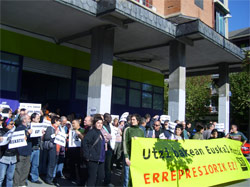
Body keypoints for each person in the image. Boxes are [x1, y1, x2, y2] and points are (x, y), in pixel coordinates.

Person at [82, 115, 105, 186]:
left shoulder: (100, 132)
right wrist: (87, 155)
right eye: (98, 123)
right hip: (92, 158)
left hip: (101, 159)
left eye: (101, 123)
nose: (100, 125)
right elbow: (84, 142)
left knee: (101, 176)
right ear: (94, 123)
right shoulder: (92, 132)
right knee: (92, 178)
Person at [123, 114, 144, 187]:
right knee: (127, 177)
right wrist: (126, 157)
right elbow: (124, 143)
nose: (132, 121)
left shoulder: (141, 131)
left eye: (134, 119)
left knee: (135, 176)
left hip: (137, 156)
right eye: (131, 119)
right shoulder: (127, 129)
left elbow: (143, 144)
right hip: (129, 155)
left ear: (138, 121)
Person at [13, 114, 33, 187]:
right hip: (21, 152)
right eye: (29, 119)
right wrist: (27, 133)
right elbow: (19, 137)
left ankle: (22, 183)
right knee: (18, 169)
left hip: (27, 152)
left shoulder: (28, 128)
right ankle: (16, 184)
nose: (30, 120)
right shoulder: (20, 128)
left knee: (26, 169)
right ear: (24, 120)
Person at [43, 116, 61, 185]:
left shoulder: (58, 128)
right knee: (51, 163)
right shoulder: (50, 128)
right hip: (52, 148)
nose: (60, 122)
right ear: (55, 121)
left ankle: (52, 177)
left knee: (54, 164)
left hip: (57, 148)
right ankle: (48, 178)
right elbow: (47, 137)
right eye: (59, 121)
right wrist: (54, 134)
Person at [0, 119, 17, 187]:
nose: (13, 125)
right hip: (4, 157)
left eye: (13, 124)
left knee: (10, 178)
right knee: (1, 178)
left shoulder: (15, 132)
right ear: (5, 125)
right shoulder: (1, 132)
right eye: (11, 124)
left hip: (13, 157)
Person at [67, 119, 84, 184]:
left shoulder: (82, 130)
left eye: (74, 123)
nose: (72, 124)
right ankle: (72, 176)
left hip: (78, 149)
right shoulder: (72, 130)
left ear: (78, 124)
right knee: (71, 163)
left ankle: (79, 178)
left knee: (79, 164)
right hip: (72, 149)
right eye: (72, 123)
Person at [29, 112, 43, 184]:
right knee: (28, 164)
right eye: (37, 118)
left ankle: (34, 178)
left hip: (37, 147)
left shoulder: (39, 126)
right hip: (30, 148)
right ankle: (24, 179)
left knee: (35, 164)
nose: (39, 120)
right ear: (33, 119)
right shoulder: (29, 126)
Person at [103, 113, 113, 186]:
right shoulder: (102, 126)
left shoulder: (111, 126)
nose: (111, 119)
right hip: (102, 148)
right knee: (102, 165)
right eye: (109, 118)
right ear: (105, 118)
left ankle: (107, 181)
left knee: (108, 166)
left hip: (109, 148)